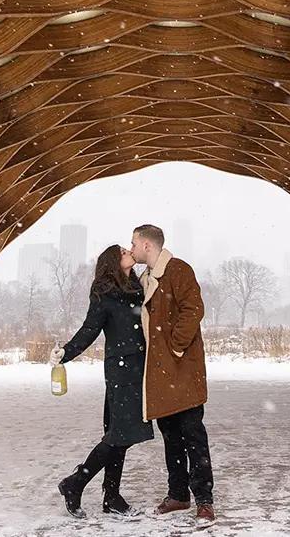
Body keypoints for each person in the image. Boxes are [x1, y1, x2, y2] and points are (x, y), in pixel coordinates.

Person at [50, 244, 154, 519]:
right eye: (123, 252)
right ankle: (76, 483)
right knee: (119, 434)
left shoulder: (137, 287)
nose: (129, 253)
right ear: (113, 262)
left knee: (119, 435)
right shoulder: (104, 295)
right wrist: (66, 353)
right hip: (121, 371)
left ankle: (111, 495)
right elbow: (89, 330)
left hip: (138, 368)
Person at [129, 224, 216, 525]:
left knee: (194, 435)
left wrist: (175, 348)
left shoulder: (177, 270)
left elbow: (193, 308)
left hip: (183, 369)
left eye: (134, 244)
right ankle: (178, 493)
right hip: (161, 375)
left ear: (148, 247)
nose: (132, 249)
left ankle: (204, 498)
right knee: (171, 436)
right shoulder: (146, 278)